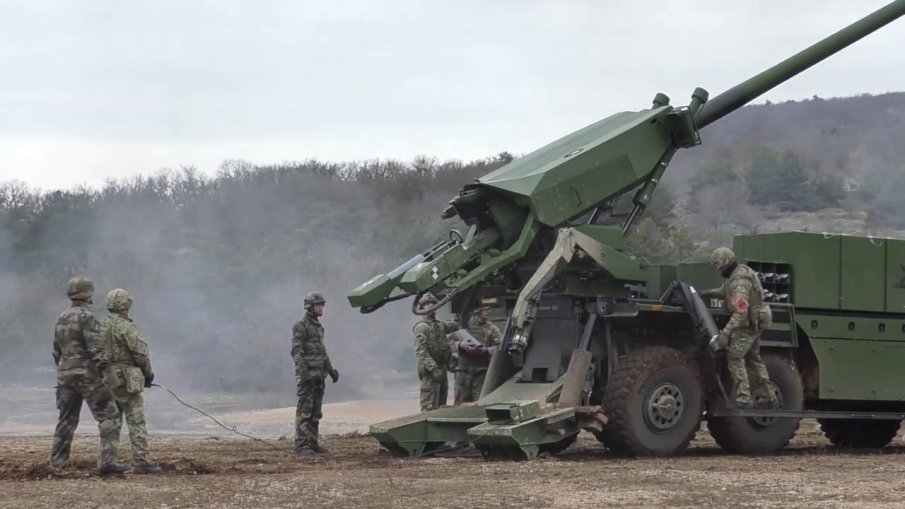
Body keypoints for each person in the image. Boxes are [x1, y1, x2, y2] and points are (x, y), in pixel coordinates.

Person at [50, 276, 127, 474]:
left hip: (65, 375)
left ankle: (59, 463)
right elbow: (97, 351)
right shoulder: (88, 318)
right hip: (88, 376)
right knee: (109, 415)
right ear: (88, 294)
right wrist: (111, 377)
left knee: (66, 419)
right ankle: (108, 462)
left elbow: (56, 351)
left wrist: (65, 370)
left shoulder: (61, 317)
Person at [701, 247, 778, 409]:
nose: (719, 270)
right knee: (754, 359)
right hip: (754, 322)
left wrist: (726, 334)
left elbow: (741, 312)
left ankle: (743, 398)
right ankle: (769, 395)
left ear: (728, 263)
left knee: (735, 356)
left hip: (747, 325)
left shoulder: (739, 282)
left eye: (720, 267)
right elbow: (725, 291)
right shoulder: (738, 274)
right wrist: (706, 293)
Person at [101, 288, 162, 475]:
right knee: (136, 420)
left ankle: (107, 461)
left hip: (106, 378)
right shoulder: (126, 327)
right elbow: (140, 352)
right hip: (128, 379)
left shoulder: (98, 326)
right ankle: (141, 461)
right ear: (126, 305)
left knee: (110, 421)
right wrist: (148, 374)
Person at [292, 292, 339, 455]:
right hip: (308, 376)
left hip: (320, 375)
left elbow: (322, 352)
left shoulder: (318, 327)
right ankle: (302, 444)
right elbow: (296, 351)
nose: (321, 308)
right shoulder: (301, 325)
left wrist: (331, 370)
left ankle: (312, 443)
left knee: (316, 412)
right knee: (305, 410)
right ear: (310, 307)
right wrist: (303, 373)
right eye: (318, 305)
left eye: (322, 305)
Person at [412, 293, 467, 411]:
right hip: (430, 373)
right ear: (422, 309)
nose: (431, 306)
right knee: (429, 406)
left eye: (433, 304)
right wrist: (433, 369)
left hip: (442, 369)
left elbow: (454, 325)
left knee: (442, 404)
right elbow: (421, 351)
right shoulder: (422, 327)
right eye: (427, 304)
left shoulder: (439, 325)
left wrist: (460, 315)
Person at [454, 301, 502, 405]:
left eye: (490, 309)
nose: (489, 311)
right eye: (485, 309)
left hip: (481, 371)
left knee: (481, 402)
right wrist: (460, 345)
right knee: (460, 404)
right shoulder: (463, 325)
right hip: (463, 371)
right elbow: (446, 344)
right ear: (477, 311)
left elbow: (500, 347)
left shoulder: (492, 329)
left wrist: (486, 350)